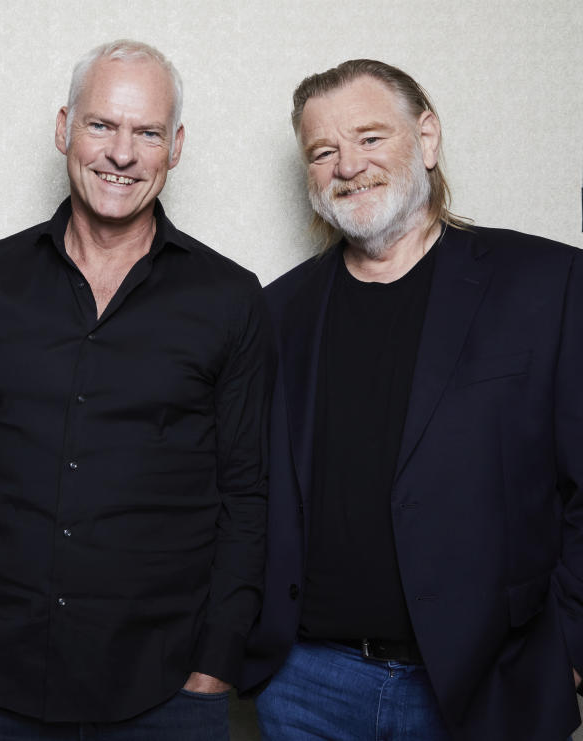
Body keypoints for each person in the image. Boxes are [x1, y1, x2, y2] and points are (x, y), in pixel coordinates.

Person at [0, 39, 272, 739]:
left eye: (147, 132)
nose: (122, 153)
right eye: (102, 125)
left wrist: (213, 670)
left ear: (177, 146)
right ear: (63, 128)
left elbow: (246, 496)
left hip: (167, 693)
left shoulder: (231, 299)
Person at [243, 58, 583, 741]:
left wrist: (570, 651)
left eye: (371, 137)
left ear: (426, 139)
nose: (348, 165)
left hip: (488, 682)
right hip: (306, 686)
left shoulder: (550, 283)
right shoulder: (274, 312)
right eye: (323, 151)